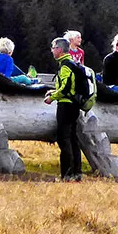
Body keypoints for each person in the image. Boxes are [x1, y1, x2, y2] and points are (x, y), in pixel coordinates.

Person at [44, 37, 83, 182]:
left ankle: (66, 175)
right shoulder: (72, 63)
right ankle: (77, 173)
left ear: (60, 50)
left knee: (63, 139)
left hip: (66, 106)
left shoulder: (65, 66)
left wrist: (52, 98)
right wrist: (54, 91)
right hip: (74, 106)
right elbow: (68, 86)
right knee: (73, 139)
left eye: (53, 48)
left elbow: (66, 89)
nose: (52, 50)